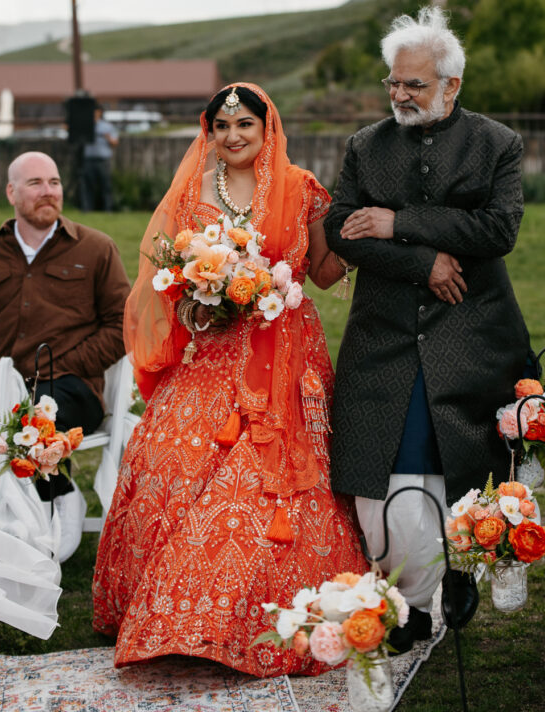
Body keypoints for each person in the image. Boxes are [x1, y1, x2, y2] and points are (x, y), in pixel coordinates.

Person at [93, 83, 367, 677]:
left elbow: (321, 274)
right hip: (214, 351)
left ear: (268, 129)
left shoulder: (300, 189)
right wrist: (199, 296)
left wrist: (350, 234)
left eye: (246, 124)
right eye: (223, 126)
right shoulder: (192, 194)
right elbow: (170, 279)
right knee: (168, 454)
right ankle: (168, 611)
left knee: (267, 479)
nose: (234, 136)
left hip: (287, 352)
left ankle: (256, 618)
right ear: (209, 133)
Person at [324, 7, 535, 653]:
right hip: (383, 337)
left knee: (464, 468)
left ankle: (462, 572)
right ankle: (410, 601)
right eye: (394, 83)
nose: (400, 96)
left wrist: (400, 222)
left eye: (414, 85)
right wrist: (424, 260)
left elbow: (498, 231)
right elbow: (340, 231)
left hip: (473, 333)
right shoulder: (365, 146)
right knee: (384, 479)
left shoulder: (497, 143)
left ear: (452, 86)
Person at [0, 150, 131, 558]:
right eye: (35, 183)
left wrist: (69, 365)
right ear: (11, 192)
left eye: (54, 182)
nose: (47, 191)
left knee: (31, 420)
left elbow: (123, 325)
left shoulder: (96, 249)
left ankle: (50, 505)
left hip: (70, 387)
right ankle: (27, 505)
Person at [79, 102, 118, 212]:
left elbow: (115, 142)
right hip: (88, 160)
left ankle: (108, 209)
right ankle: (87, 209)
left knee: (106, 186)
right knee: (87, 186)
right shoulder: (85, 126)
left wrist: (107, 137)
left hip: (103, 161)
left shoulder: (107, 126)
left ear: (99, 112)